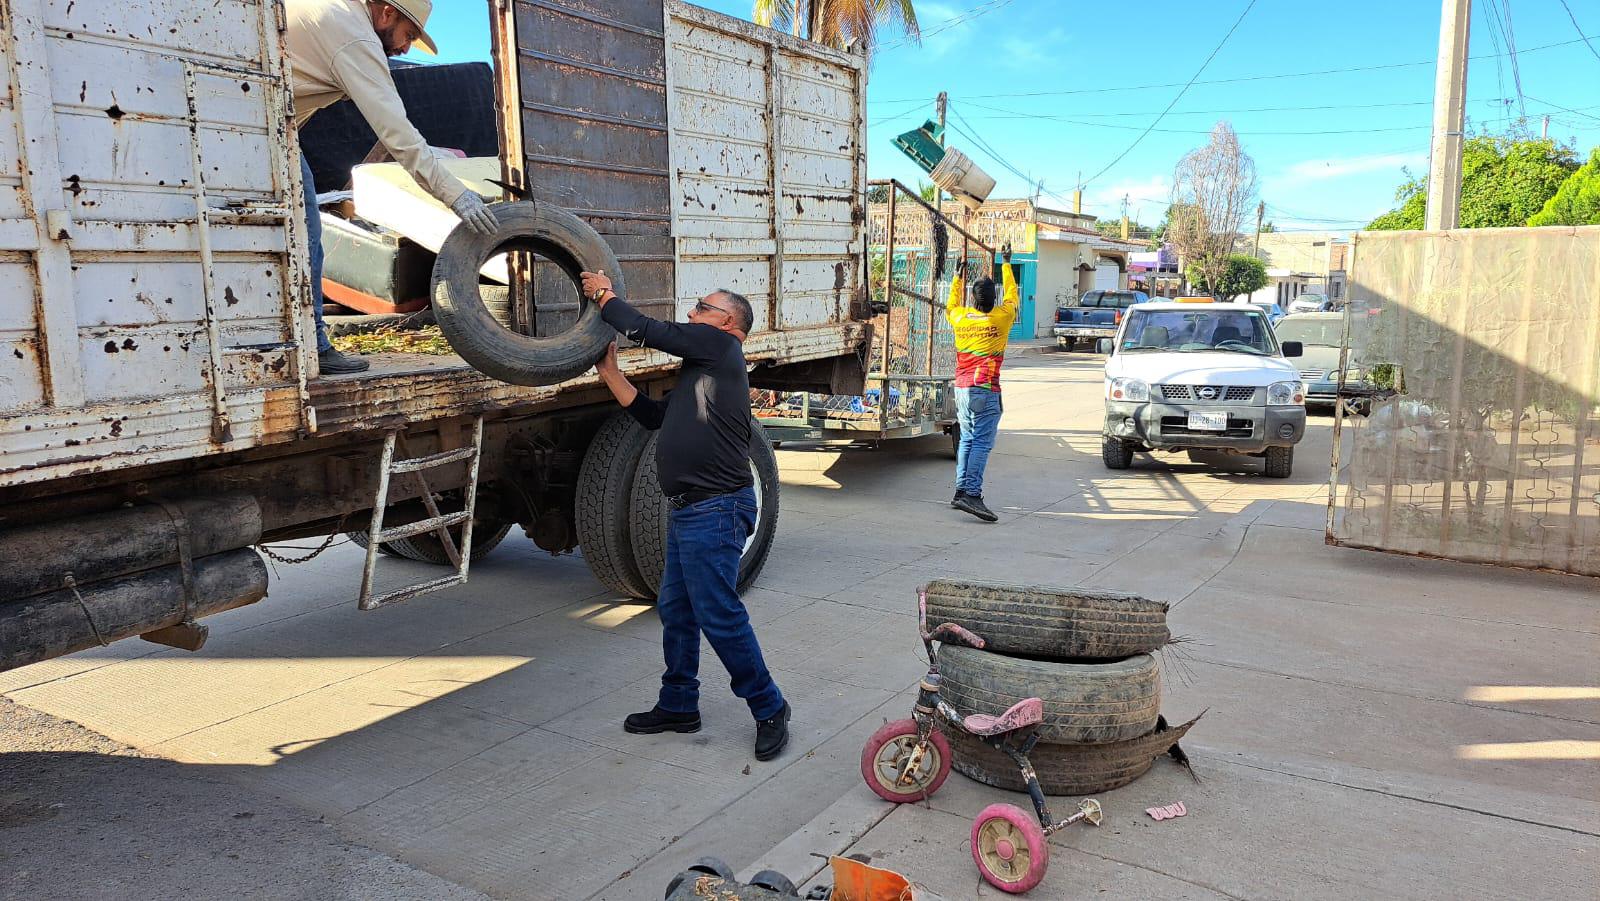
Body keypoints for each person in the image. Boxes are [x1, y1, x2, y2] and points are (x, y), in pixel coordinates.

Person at [579, 269, 792, 762]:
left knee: (718, 613)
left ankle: (769, 705)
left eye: (701, 308)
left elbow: (652, 330)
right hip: (691, 511)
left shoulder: (721, 350)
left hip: (717, 509)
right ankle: (679, 704)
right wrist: (612, 376)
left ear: (728, 322)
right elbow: (655, 417)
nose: (692, 314)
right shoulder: (704, 373)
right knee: (676, 610)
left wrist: (606, 294)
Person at [284, 0, 498, 374]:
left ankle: (297, 340)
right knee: (304, 229)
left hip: (262, 119)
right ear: (386, 13)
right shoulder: (355, 39)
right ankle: (311, 345)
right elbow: (398, 134)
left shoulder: (334, 13)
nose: (405, 48)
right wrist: (458, 197)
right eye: (409, 34)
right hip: (257, 121)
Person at [946, 244, 1018, 522]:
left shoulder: (961, 317)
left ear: (973, 300)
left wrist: (956, 278)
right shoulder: (1001, 318)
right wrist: (1006, 264)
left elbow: (951, 305)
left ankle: (960, 490)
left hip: (962, 387)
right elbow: (1012, 296)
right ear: (993, 298)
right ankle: (971, 494)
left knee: (967, 438)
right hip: (985, 389)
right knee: (982, 443)